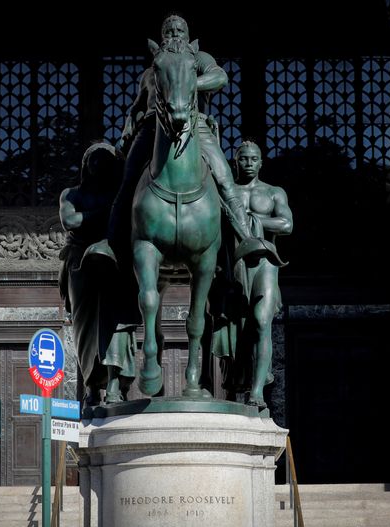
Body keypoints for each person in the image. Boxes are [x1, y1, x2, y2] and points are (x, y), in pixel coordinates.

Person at [88, 14, 252, 262]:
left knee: (225, 179)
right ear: (161, 37)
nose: (174, 34)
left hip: (194, 125)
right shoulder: (150, 72)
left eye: (179, 30)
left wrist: (185, 83)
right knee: (127, 183)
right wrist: (126, 132)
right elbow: (136, 107)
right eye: (169, 30)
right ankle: (111, 244)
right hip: (151, 128)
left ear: (188, 36)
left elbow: (220, 77)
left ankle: (246, 239)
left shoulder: (198, 59)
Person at [213, 141, 293, 407]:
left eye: (253, 159)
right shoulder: (226, 192)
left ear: (261, 163)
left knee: (261, 322)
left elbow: (287, 224)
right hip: (233, 267)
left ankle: (257, 392)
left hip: (265, 262)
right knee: (234, 330)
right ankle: (233, 388)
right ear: (235, 163)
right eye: (243, 159)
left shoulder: (273, 192)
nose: (248, 163)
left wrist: (254, 221)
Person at [58, 143, 136, 405]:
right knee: (85, 329)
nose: (99, 165)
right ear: (86, 165)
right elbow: (70, 220)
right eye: (95, 160)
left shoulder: (120, 195)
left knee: (116, 324)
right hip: (81, 267)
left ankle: (116, 381)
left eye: (106, 161)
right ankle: (91, 385)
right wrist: (105, 213)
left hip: (113, 262)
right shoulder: (71, 194)